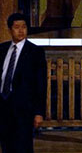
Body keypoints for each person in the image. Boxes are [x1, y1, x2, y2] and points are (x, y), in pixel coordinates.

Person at [0, 13, 47, 153]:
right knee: (6, 146)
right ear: (9, 30)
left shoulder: (35, 52)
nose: (21, 30)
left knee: (23, 147)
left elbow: (41, 84)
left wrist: (39, 112)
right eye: (16, 27)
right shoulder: (2, 49)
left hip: (24, 109)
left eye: (24, 27)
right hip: (3, 106)